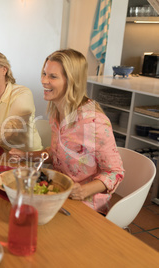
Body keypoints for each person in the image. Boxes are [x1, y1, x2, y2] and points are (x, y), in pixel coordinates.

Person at [9, 49, 124, 214]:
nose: (44, 81)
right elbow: (57, 154)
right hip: (57, 193)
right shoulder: (57, 113)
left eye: (52, 76)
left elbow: (115, 173)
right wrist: (24, 155)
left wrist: (83, 190)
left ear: (72, 81)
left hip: (86, 205)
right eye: (44, 74)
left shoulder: (94, 121)